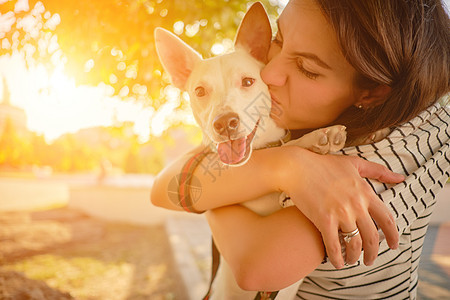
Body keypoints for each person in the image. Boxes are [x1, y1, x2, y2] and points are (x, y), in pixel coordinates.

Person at [151, 0, 449, 298]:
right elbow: (164, 185)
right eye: (277, 41)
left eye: (306, 68)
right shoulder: (293, 116)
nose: (268, 74)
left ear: (370, 91)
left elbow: (256, 268)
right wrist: (287, 165)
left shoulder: (382, 159)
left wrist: (215, 196)